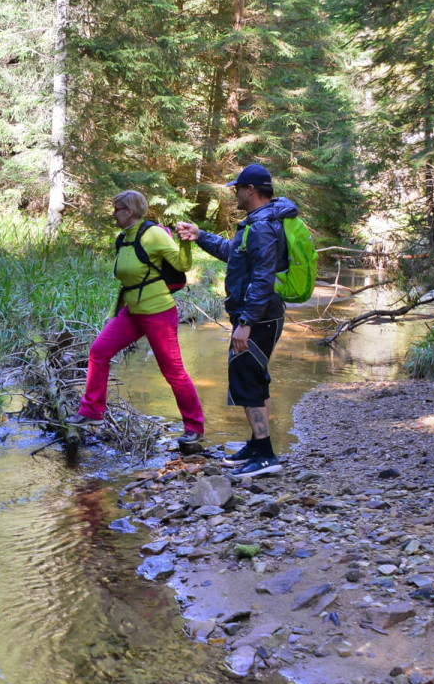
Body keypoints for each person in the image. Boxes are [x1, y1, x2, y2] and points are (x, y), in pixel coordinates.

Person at [175, 163, 298, 478]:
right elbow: (234, 252)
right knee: (256, 379)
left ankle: (266, 455)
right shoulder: (259, 222)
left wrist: (246, 322)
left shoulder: (263, 226)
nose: (235, 194)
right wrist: (200, 235)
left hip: (258, 318)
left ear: (251, 190)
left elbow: (262, 277)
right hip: (260, 316)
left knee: (247, 381)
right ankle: (258, 446)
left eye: (238, 189)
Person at [74, 190, 205, 450]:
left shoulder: (153, 234)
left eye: (117, 208)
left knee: (173, 372)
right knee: (99, 351)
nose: (114, 213)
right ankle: (91, 411)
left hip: (158, 312)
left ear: (129, 211)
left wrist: (186, 242)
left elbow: (182, 264)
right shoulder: (123, 238)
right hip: (132, 312)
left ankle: (194, 428)